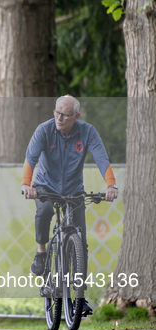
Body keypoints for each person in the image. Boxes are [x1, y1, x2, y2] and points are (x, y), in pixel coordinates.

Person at [21, 95, 118, 317]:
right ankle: (42, 252)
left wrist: (111, 185)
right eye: (57, 112)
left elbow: (102, 159)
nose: (59, 118)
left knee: (80, 240)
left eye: (65, 114)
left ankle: (80, 298)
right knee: (44, 211)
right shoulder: (44, 130)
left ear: (76, 116)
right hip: (45, 187)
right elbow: (31, 159)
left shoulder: (87, 132)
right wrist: (27, 184)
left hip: (74, 191)